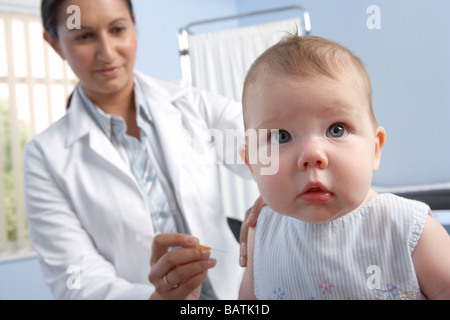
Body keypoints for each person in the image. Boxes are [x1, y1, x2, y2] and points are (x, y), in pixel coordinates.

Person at [24, 0, 256, 300]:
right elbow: (76, 276)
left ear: (133, 24)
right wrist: (158, 298)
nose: (107, 52)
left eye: (118, 29)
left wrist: (286, 186)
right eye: (83, 36)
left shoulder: (191, 105)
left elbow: (265, 151)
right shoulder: (45, 157)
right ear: (54, 42)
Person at [238, 34, 450, 300]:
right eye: (282, 136)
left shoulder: (408, 229)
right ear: (253, 165)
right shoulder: (263, 237)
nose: (313, 155)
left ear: (375, 149)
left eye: (336, 130)